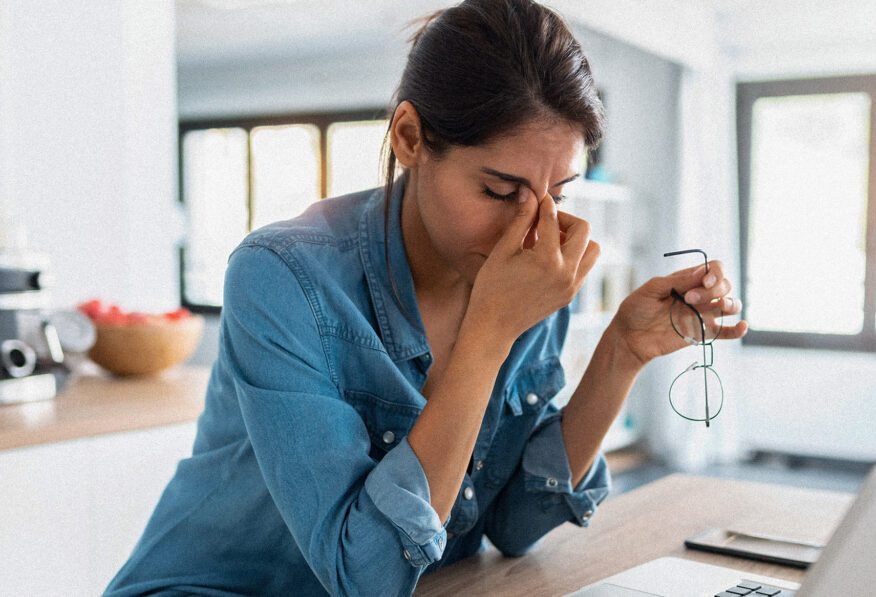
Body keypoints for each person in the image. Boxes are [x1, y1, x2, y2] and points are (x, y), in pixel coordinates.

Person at [104, 0, 746, 595]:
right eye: (499, 191)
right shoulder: (283, 276)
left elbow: (515, 523)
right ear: (409, 137)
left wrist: (622, 353)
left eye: (561, 195)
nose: (534, 231)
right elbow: (365, 575)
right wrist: (487, 337)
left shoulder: (534, 272)